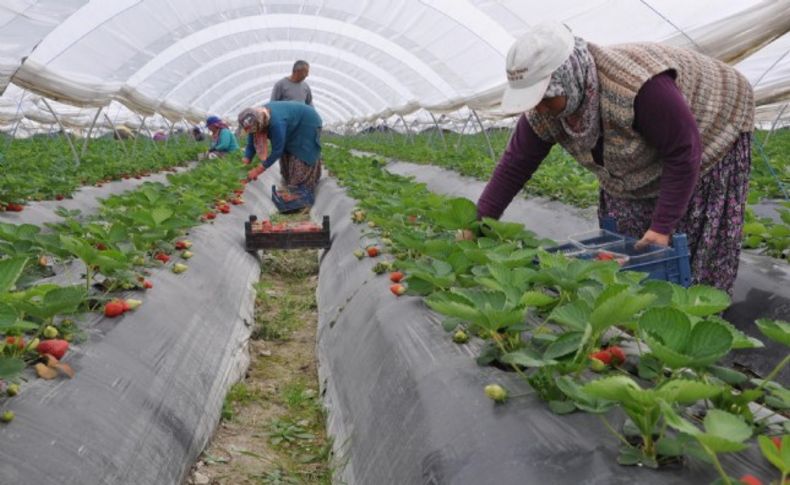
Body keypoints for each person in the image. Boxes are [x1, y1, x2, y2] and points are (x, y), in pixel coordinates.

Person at [476, 22, 754, 293]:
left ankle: (695, 314)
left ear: (568, 79)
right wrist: (478, 221)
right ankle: (637, 306)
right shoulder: (545, 110)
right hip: (647, 153)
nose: (539, 107)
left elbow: (683, 150)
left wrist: (662, 226)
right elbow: (516, 164)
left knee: (688, 241)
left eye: (545, 98)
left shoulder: (640, 86)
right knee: (628, 240)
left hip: (712, 128)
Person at [239, 101, 323, 208]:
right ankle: (292, 189)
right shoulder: (256, 120)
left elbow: (277, 150)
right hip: (293, 123)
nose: (253, 132)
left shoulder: (276, 122)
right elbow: (251, 144)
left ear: (259, 123)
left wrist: (258, 170)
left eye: (254, 129)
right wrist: (245, 162)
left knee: (302, 154)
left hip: (307, 123)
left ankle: (303, 194)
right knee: (286, 155)